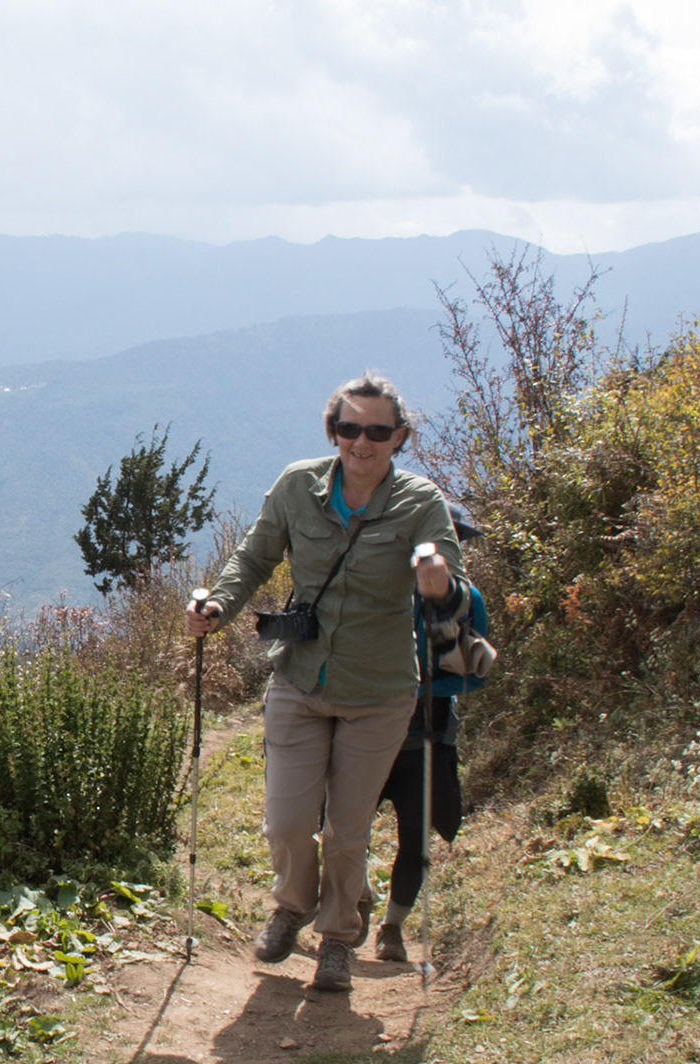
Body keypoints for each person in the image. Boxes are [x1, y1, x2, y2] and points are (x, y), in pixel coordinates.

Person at [185, 373, 469, 992]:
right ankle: (292, 905)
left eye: (376, 431)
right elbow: (254, 557)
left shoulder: (421, 502)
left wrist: (437, 578)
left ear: (399, 438)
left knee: (347, 827)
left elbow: (454, 583)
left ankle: (338, 936)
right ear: (331, 430)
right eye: (348, 428)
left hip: (380, 690)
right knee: (286, 822)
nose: (361, 443)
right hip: (299, 677)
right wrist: (217, 606)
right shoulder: (297, 486)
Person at [371, 506, 492, 963]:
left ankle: (392, 927)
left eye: (451, 541)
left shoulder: (469, 601)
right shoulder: (381, 595)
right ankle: (357, 902)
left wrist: (423, 688)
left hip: (429, 734)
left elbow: (475, 676)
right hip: (371, 730)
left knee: (417, 840)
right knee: (343, 828)